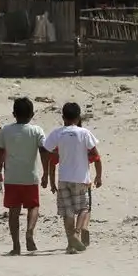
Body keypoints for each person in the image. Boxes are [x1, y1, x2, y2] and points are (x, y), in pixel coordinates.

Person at [0, 97, 50, 255]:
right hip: (30, 177)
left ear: (13, 113)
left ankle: (16, 246)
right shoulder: (37, 130)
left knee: (13, 211)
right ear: (32, 114)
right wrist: (46, 174)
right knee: (33, 206)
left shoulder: (5, 131)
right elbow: (44, 152)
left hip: (11, 178)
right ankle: (30, 231)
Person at [43, 103, 103, 254]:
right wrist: (99, 176)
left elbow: (48, 154)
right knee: (84, 208)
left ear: (63, 117)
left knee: (67, 213)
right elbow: (96, 156)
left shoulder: (57, 133)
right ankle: (77, 233)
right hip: (81, 179)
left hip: (63, 179)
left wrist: (49, 179)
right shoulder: (84, 133)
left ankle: (70, 244)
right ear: (79, 117)